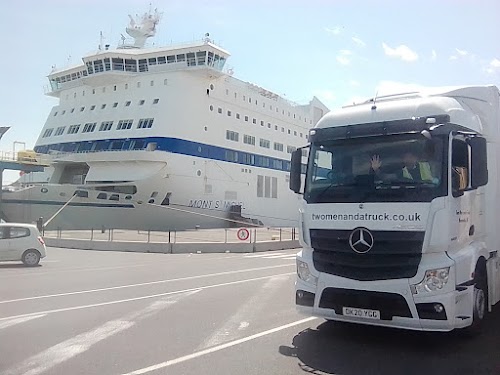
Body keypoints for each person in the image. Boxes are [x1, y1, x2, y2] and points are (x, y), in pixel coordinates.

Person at [370, 151, 434, 182]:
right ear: (403, 160)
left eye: (411, 156)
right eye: (406, 157)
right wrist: (376, 169)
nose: (409, 159)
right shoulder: (401, 172)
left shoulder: (427, 165)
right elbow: (386, 178)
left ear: (416, 157)